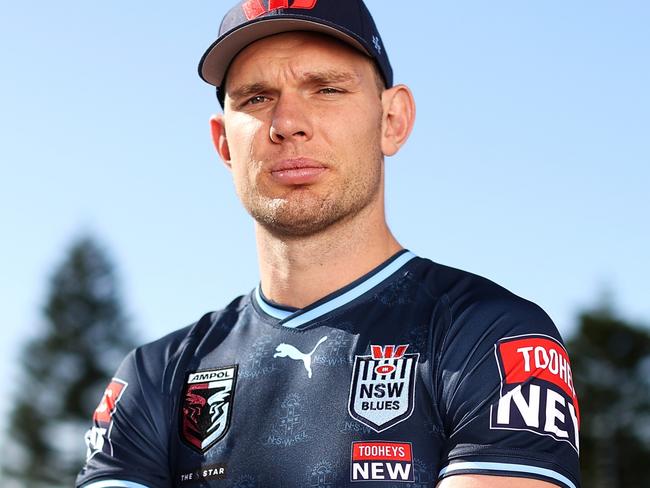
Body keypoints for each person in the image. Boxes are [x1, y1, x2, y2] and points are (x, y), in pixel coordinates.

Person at [77, 1, 581, 487]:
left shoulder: (488, 336)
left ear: (392, 120)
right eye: (256, 98)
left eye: (326, 89)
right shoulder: (156, 376)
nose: (287, 123)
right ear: (224, 142)